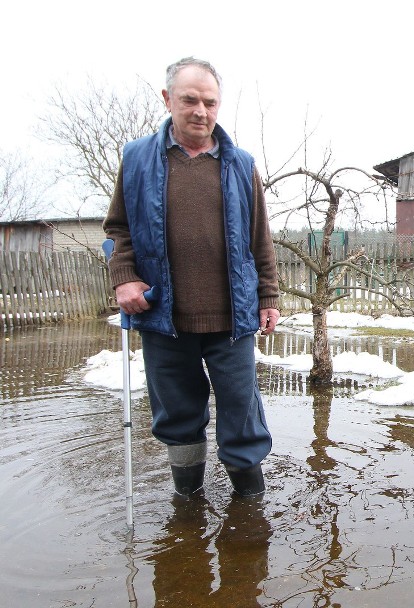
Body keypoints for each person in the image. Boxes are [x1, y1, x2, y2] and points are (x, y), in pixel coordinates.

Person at [103, 57, 280, 498]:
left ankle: (249, 509)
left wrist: (268, 295)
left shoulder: (241, 164)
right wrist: (124, 277)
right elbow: (118, 229)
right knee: (178, 414)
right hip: (163, 315)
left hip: (233, 319)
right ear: (167, 100)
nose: (200, 110)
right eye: (189, 100)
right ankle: (188, 503)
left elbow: (261, 237)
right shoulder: (138, 159)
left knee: (241, 412)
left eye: (210, 102)